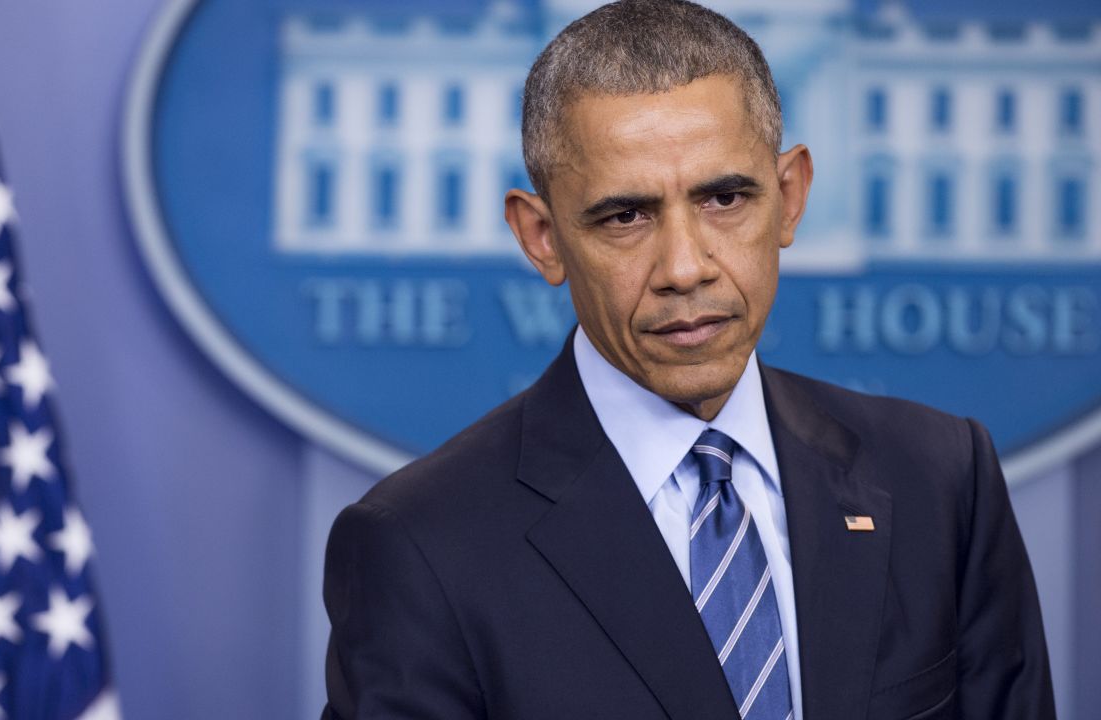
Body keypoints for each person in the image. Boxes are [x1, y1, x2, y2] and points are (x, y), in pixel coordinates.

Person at [321, 1, 1056, 718]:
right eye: (624, 216)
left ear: (790, 195)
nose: (684, 266)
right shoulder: (418, 544)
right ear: (541, 237)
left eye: (726, 199)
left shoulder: (938, 476)